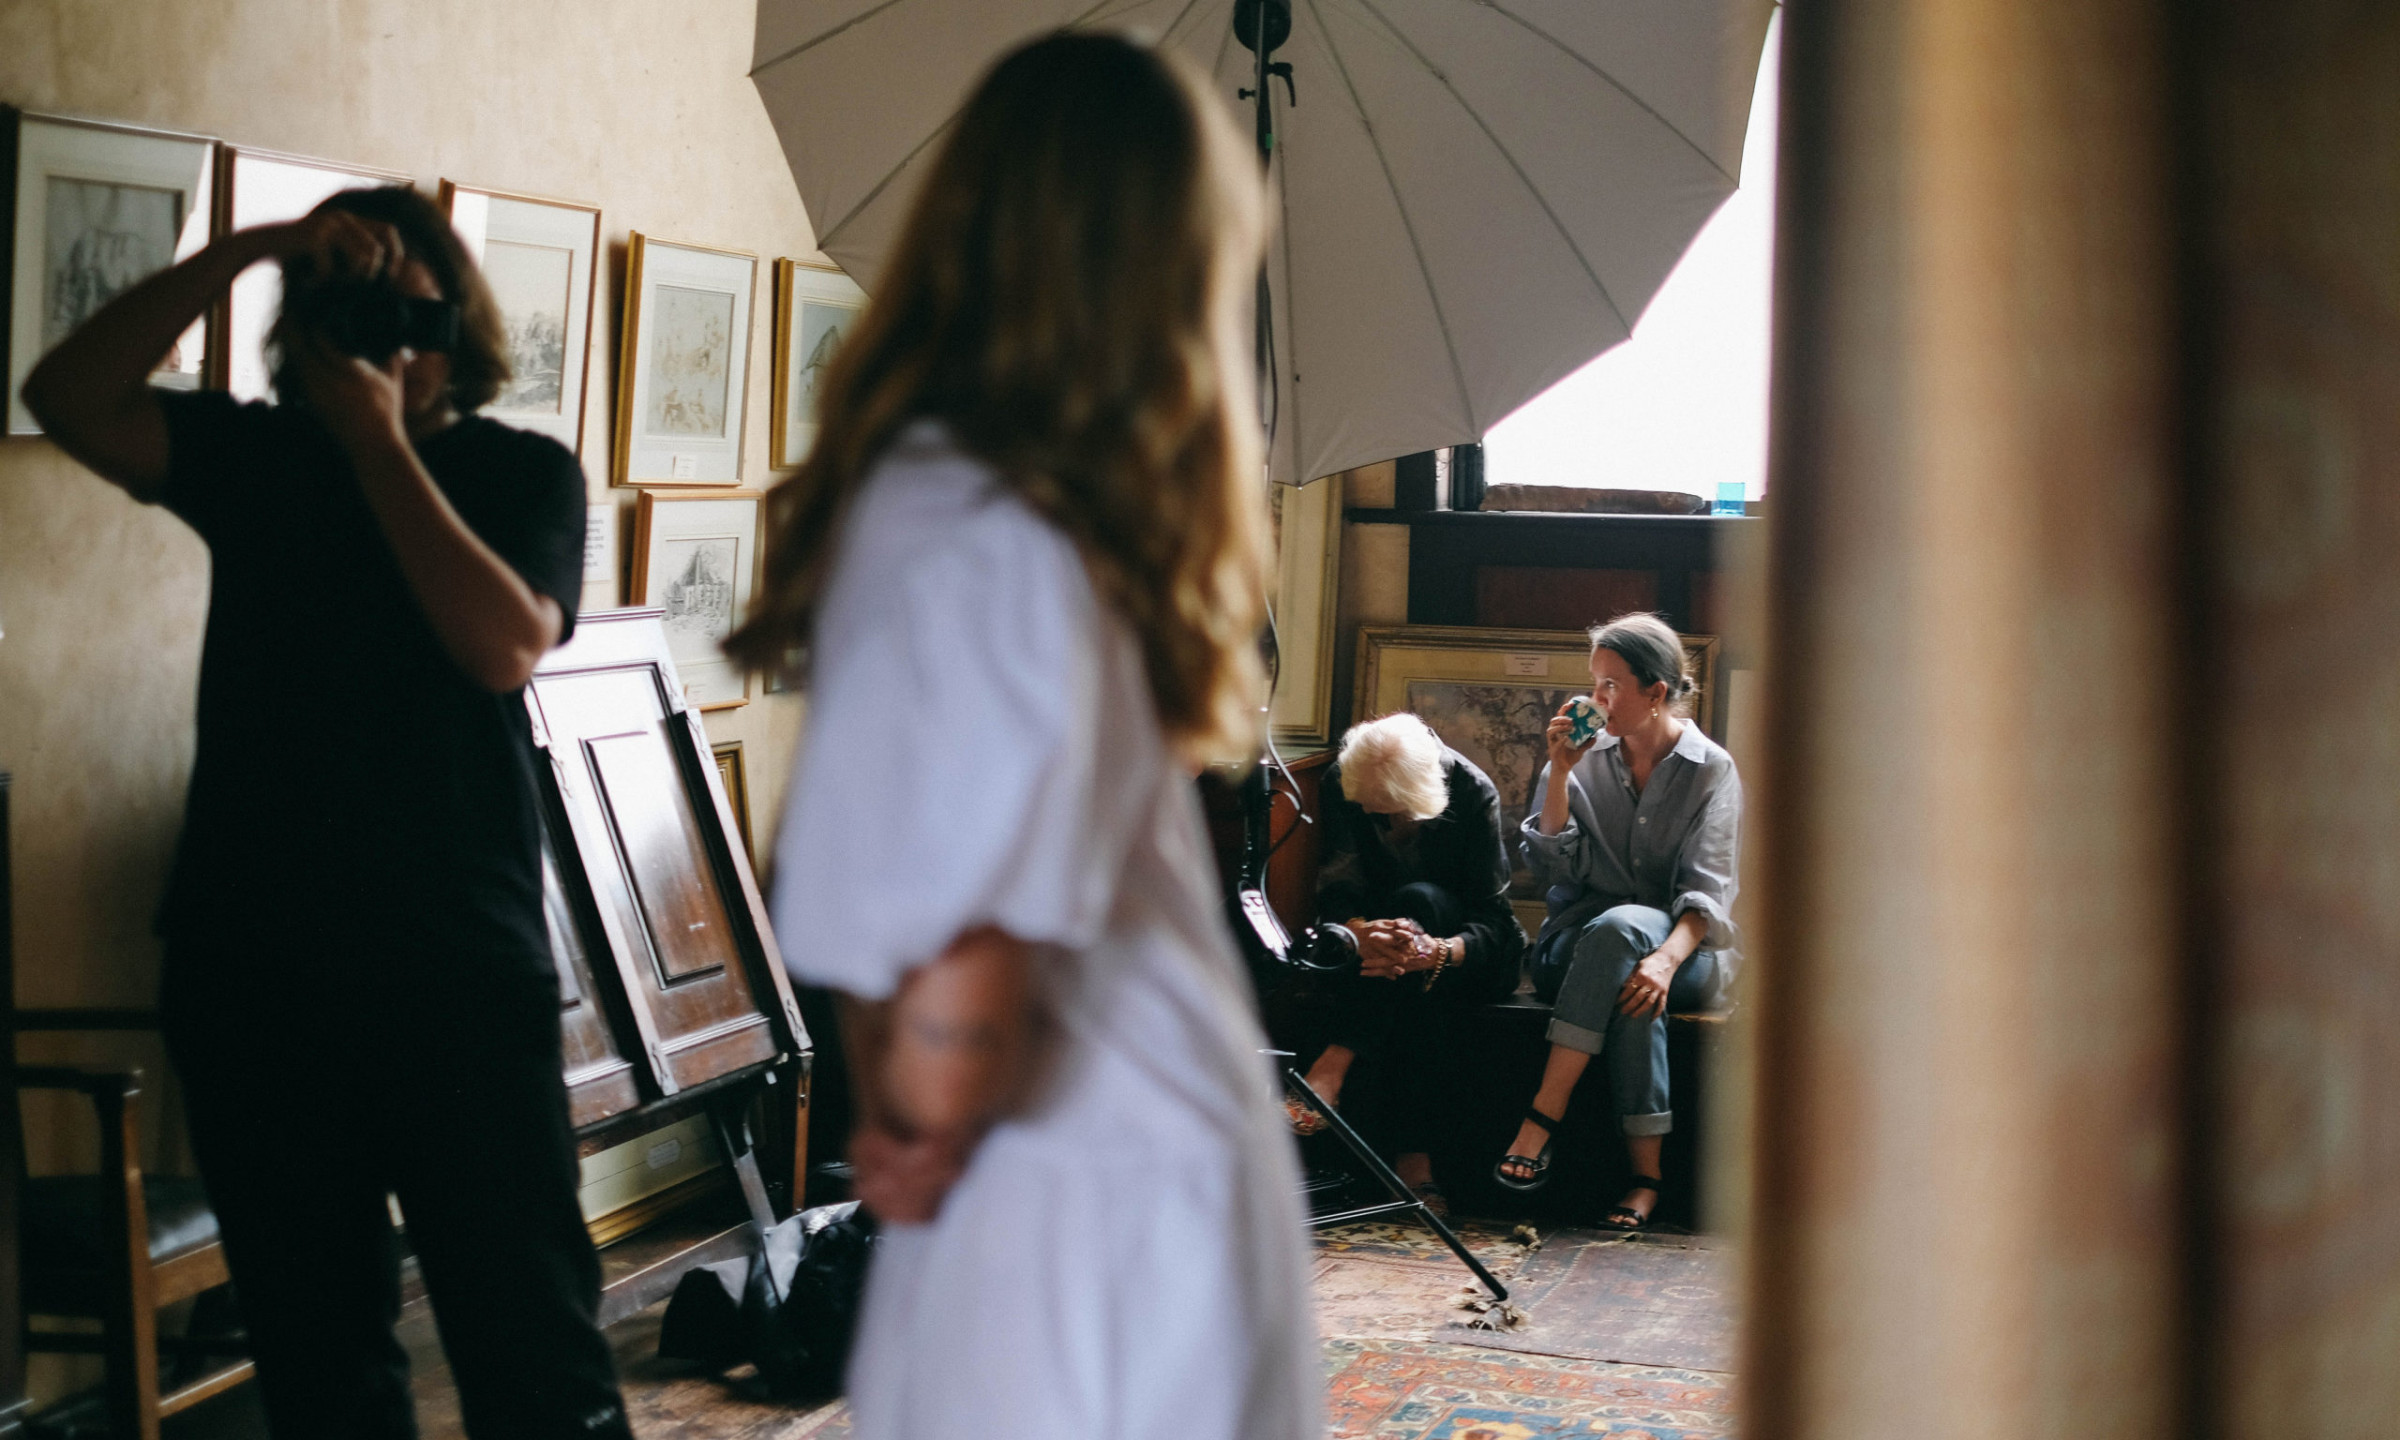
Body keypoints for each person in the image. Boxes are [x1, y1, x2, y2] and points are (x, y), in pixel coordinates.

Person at [721, 31, 1320, 1440]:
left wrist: (918, 1112)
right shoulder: (1040, 520)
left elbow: (975, 896)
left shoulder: (959, 510)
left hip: (1061, 1150)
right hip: (1129, 1126)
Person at [22, 187, 627, 1437]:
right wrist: (253, 247)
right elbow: (65, 396)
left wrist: (380, 446)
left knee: (533, 1354)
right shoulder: (257, 458)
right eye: (347, 311)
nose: (384, 342)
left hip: (457, 975)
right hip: (256, 978)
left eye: (408, 313)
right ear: (300, 330)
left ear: (457, 326)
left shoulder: (520, 472)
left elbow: (502, 645)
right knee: (320, 1372)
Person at [1495, 613, 1740, 1231]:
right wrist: (1558, 770)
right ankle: (1646, 1177)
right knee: (1620, 952)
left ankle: (1542, 1117)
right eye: (1593, 683)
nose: (1595, 699)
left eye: (1610, 685)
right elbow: (1548, 866)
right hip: (1576, 950)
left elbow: (1707, 893)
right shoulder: (1581, 758)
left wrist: (1663, 962)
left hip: (1685, 953)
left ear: (1655, 692)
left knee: (1630, 952)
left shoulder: (1710, 769)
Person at [1291, 713, 1524, 1212]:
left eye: (1385, 810)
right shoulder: (1346, 778)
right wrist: (1359, 931)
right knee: (1403, 962)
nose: (1371, 816)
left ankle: (1333, 1063)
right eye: (1365, 807)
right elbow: (1337, 889)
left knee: (1420, 903)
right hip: (1378, 954)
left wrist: (1438, 951)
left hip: (1466, 953)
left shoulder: (1472, 792)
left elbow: (1494, 922)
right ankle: (1415, 1165)